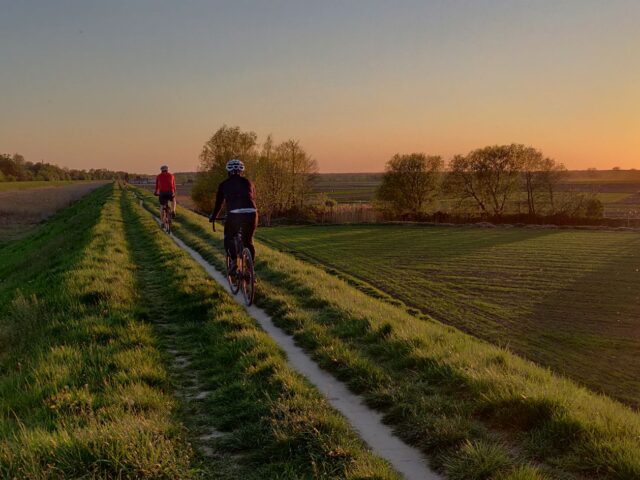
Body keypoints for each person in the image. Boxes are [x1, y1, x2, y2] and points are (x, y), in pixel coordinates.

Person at [209, 159, 258, 271]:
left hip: (234, 214)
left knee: (229, 237)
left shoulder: (223, 184)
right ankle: (251, 270)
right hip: (251, 212)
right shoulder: (249, 182)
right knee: (248, 240)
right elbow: (252, 197)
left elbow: (219, 204)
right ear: (241, 171)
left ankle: (234, 261)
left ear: (228, 171)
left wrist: (213, 216)